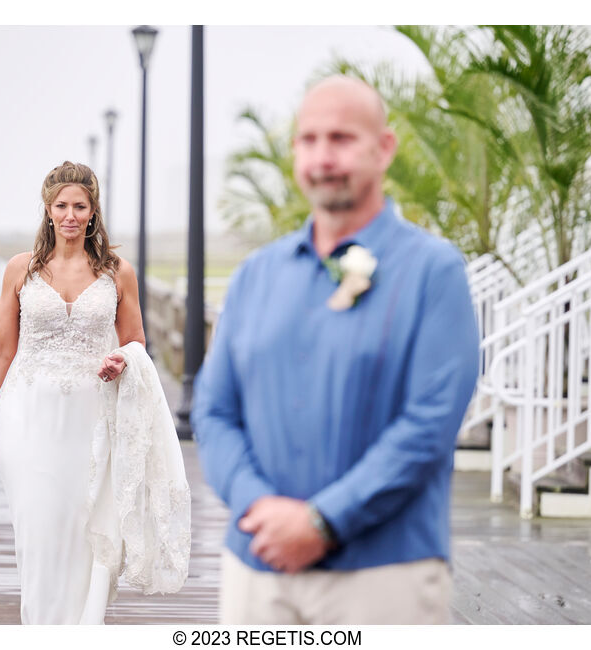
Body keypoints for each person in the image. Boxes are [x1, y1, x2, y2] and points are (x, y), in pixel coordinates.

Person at [191, 76, 480, 624]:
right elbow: (214, 409)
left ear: (384, 148)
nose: (323, 157)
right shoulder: (256, 274)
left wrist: (322, 523)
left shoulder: (434, 272)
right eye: (309, 140)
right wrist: (259, 507)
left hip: (383, 575)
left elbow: (430, 423)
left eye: (342, 139)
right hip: (257, 568)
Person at [0, 161, 190, 625]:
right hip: (29, 415)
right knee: (37, 528)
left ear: (92, 211)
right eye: (61, 205)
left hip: (90, 417)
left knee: (84, 529)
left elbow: (137, 340)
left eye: (79, 206)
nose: (70, 214)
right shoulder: (20, 270)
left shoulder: (117, 272)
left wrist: (122, 358)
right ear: (47, 210)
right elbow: (2, 349)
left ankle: (82, 628)